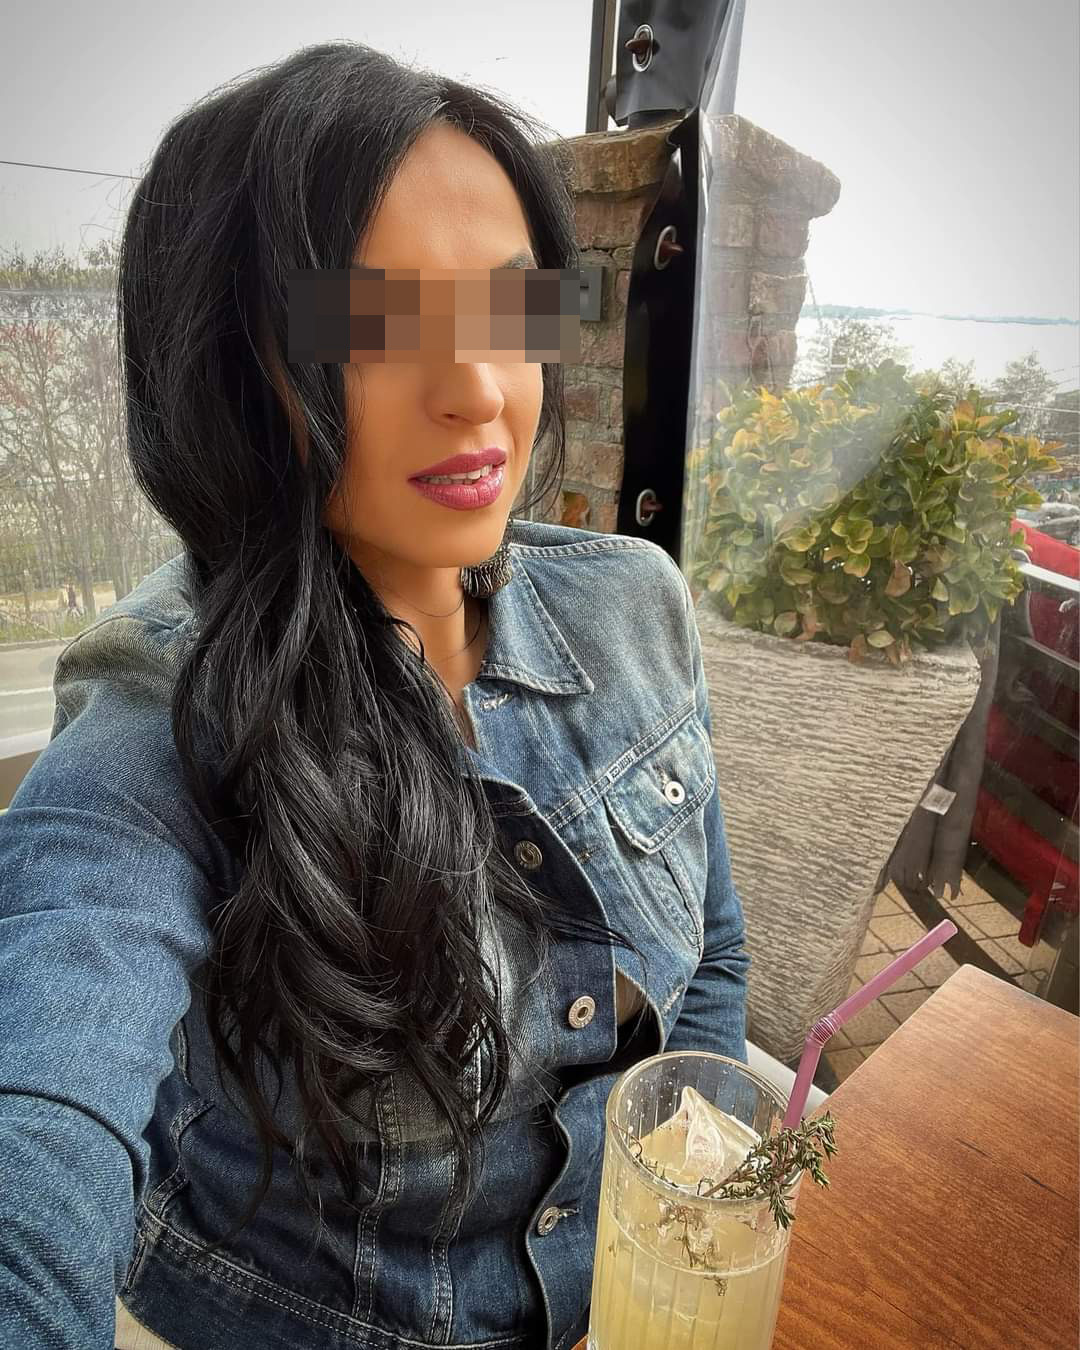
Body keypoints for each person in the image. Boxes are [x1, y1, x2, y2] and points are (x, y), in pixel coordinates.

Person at [0, 41, 748, 1350]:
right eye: (378, 324)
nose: (478, 391)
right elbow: (42, 1095)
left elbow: (715, 960)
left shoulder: (634, 606)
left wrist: (699, 1195)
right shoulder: (163, 715)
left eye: (511, 308)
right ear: (234, 365)